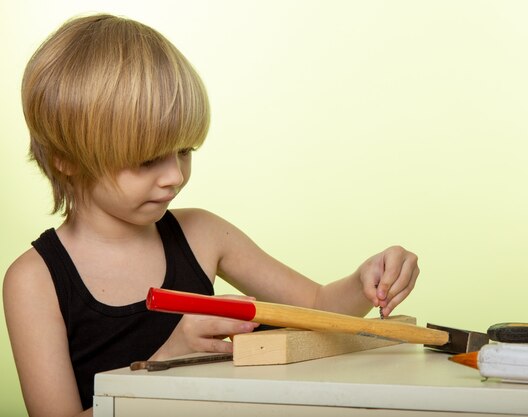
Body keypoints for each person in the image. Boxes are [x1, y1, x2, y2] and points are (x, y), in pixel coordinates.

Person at [3, 13, 420, 417]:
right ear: (66, 160)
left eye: (185, 151)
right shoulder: (34, 282)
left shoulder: (204, 233)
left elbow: (317, 309)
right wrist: (171, 357)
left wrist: (366, 279)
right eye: (147, 160)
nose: (174, 176)